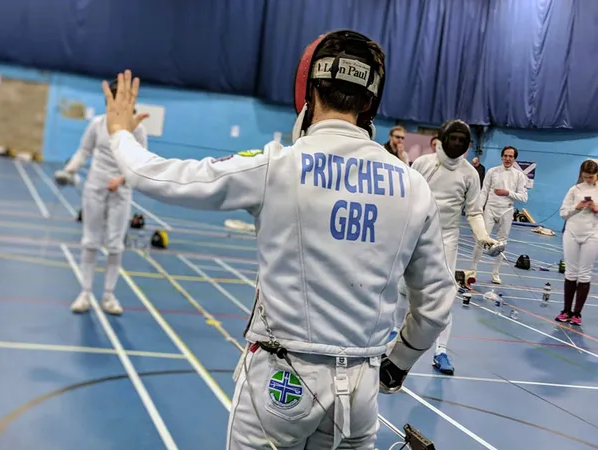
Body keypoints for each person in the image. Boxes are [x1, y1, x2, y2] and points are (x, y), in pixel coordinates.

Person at [103, 29, 454, 449]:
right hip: (360, 394)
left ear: (310, 91)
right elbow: (435, 304)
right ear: (369, 103)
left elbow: (156, 176)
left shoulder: (277, 166)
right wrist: (396, 366)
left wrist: (120, 133)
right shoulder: (414, 186)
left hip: (281, 385)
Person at [391, 119, 498, 376]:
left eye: (463, 141)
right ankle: (392, 338)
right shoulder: (424, 164)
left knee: (444, 298)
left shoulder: (470, 174)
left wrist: (484, 236)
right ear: (442, 138)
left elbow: (473, 211)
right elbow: (408, 199)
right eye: (454, 138)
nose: (457, 144)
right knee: (402, 289)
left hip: (447, 237)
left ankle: (440, 351)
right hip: (416, 232)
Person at [55, 79, 148, 315]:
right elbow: (84, 150)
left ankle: (108, 296)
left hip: (121, 191)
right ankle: (85, 293)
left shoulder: (137, 129)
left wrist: (122, 179)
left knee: (115, 245)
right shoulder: (98, 124)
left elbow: (140, 164)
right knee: (90, 241)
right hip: (95, 187)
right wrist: (70, 170)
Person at [466, 146, 527, 284]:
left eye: (511, 156)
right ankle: (473, 270)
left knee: (501, 243)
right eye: (505, 155)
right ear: (501, 156)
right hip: (490, 209)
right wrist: (478, 211)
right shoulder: (492, 171)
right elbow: (483, 192)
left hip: (507, 210)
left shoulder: (519, 176)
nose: (507, 158)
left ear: (514, 159)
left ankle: (495, 273)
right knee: (481, 239)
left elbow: (524, 197)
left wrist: (507, 193)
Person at [556, 159, 598, 327]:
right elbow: (563, 214)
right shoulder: (574, 190)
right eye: (586, 177)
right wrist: (578, 207)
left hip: (592, 234)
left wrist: (596, 208)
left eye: (592, 177)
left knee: (585, 274)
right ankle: (566, 310)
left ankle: (577, 313)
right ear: (581, 174)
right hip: (572, 233)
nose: (589, 180)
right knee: (571, 273)